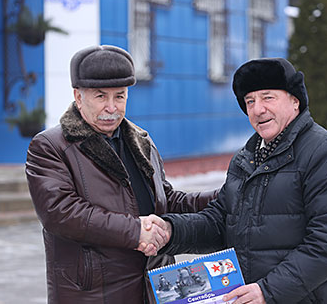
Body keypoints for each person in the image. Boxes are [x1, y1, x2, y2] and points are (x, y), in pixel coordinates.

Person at [158, 57, 327, 304]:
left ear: (295, 101)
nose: (258, 109)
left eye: (268, 97)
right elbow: (219, 222)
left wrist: (268, 291)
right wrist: (170, 231)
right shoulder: (246, 159)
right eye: (250, 101)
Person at [25, 44, 215, 304]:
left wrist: (221, 197)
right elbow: (62, 213)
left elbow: (166, 201)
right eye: (100, 96)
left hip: (155, 287)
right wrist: (136, 231)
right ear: (78, 97)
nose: (112, 107)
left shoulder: (141, 140)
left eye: (120, 96)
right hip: (94, 293)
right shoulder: (51, 146)